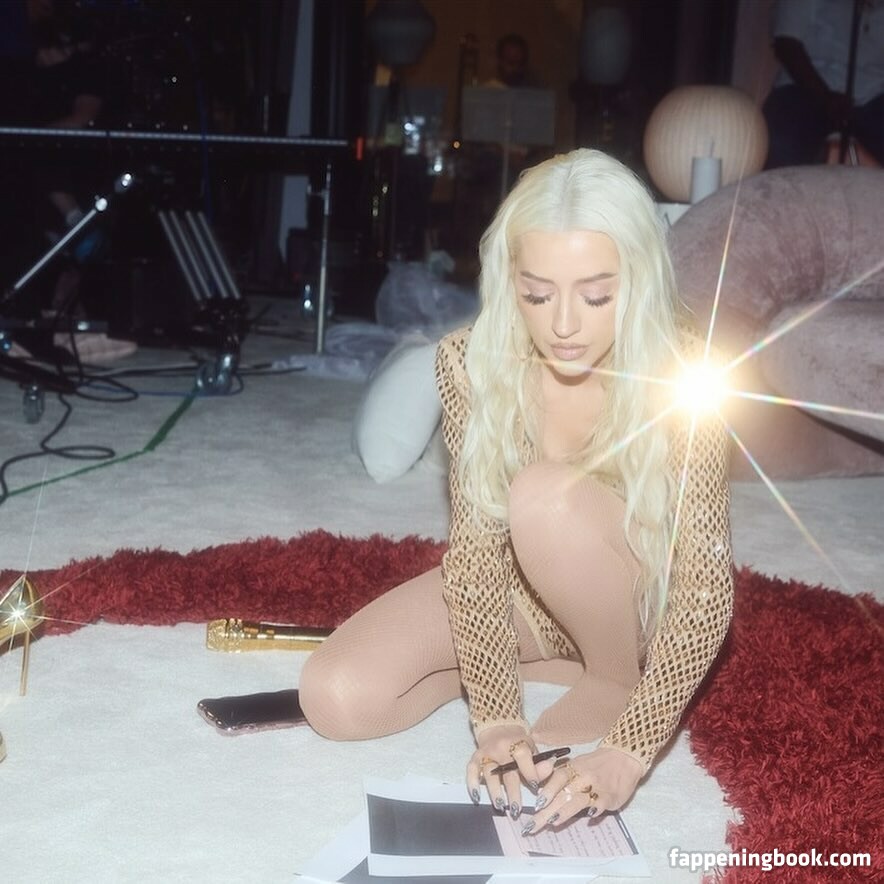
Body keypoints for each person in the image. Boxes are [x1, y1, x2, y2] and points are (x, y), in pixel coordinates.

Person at [300, 149, 734, 831]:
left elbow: (706, 589)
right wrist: (497, 715)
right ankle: (547, 666)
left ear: (640, 281)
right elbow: (475, 552)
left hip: (633, 601)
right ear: (511, 282)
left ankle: (611, 674)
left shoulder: (686, 372)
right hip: (522, 594)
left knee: (542, 496)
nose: (563, 324)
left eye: (596, 295)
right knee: (335, 697)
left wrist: (630, 749)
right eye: (537, 293)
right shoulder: (469, 363)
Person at [763, 0, 884, 167]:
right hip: (806, 87)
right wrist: (825, 97)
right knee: (780, 143)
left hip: (873, 94)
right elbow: (786, 44)